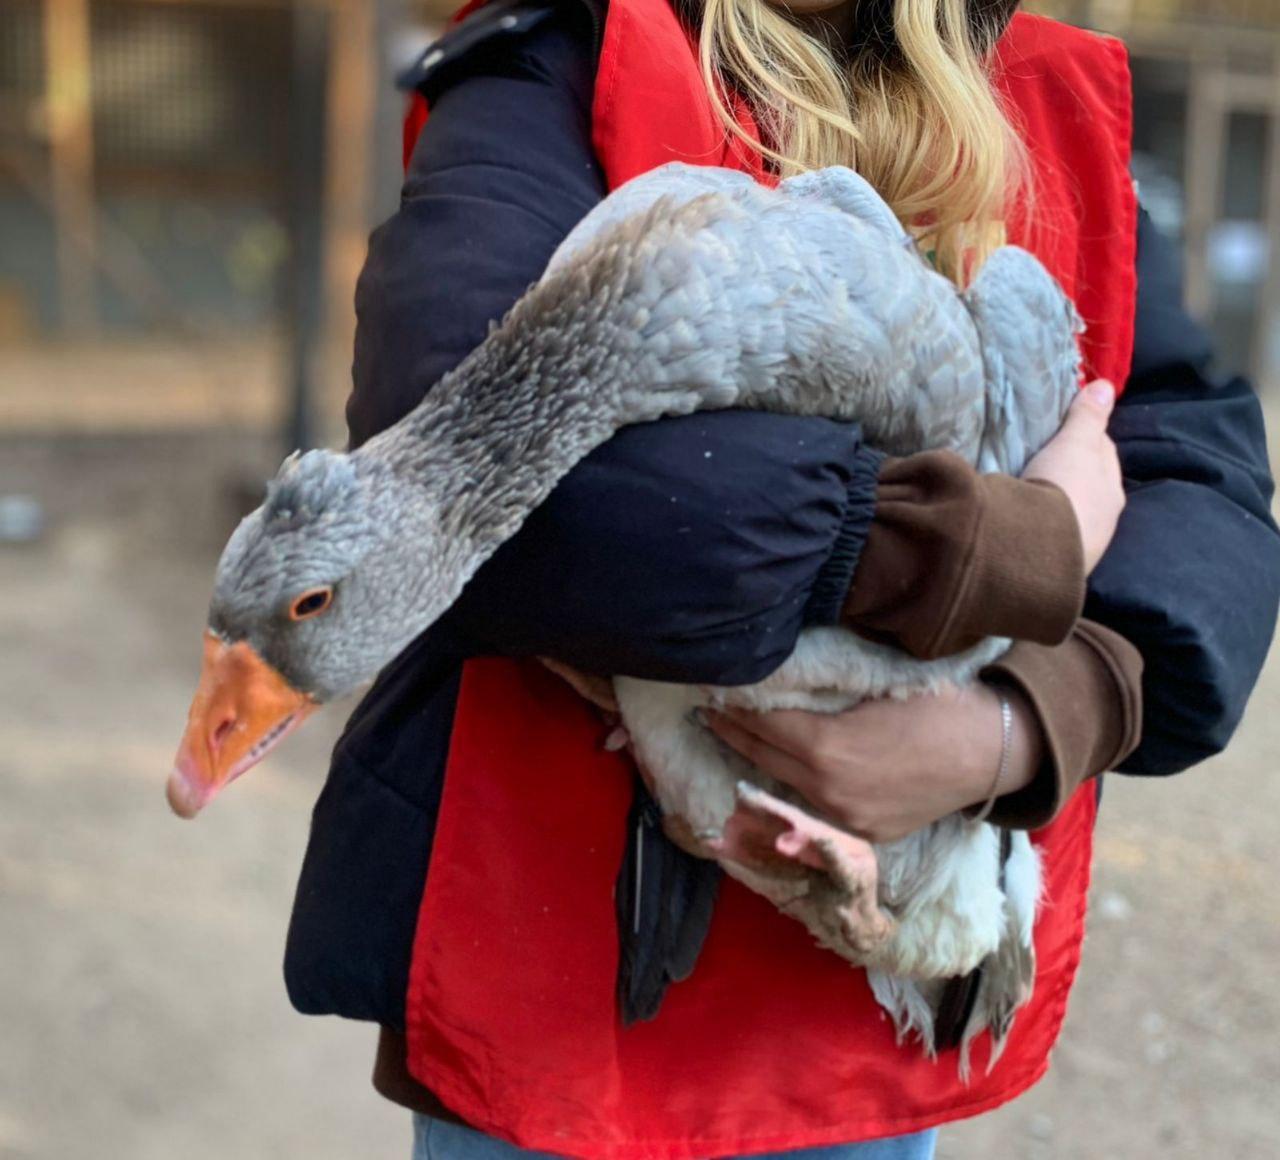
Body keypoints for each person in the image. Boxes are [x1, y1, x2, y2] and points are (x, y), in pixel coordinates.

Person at [282, 1, 1280, 1157]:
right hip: (559, 1009)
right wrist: (1008, 544)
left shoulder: (1048, 99)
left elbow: (1200, 484)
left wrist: (1018, 724)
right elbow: (458, 467)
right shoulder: (554, 62)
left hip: (849, 1045)